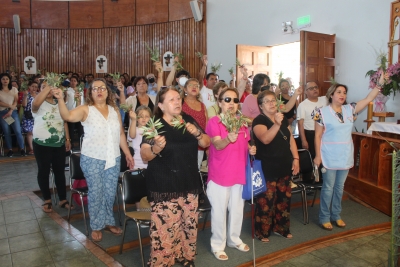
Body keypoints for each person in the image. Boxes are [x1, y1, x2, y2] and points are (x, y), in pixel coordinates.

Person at [53, 78, 134, 242]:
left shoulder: (114, 110)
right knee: (96, 193)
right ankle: (96, 225)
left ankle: (108, 222)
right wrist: (61, 99)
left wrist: (127, 153)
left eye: (103, 88)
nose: (99, 91)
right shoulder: (85, 109)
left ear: (107, 91)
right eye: (95, 88)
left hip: (113, 157)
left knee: (110, 193)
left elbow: (120, 134)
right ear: (90, 92)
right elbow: (67, 116)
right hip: (93, 159)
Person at [140, 87, 210, 267]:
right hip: (164, 185)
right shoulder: (154, 124)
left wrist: (197, 133)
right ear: (161, 105)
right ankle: (162, 262)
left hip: (189, 182)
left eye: (178, 98)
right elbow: (144, 155)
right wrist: (155, 149)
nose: (177, 102)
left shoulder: (187, 120)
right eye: (172, 100)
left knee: (188, 225)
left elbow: (206, 142)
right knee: (165, 228)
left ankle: (185, 256)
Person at [313, 73, 385, 231]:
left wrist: (379, 84)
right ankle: (324, 217)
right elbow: (317, 136)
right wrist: (318, 156)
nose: (342, 95)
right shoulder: (321, 112)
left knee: (339, 188)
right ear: (331, 95)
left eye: (344, 93)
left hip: (344, 154)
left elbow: (367, 99)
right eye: (339, 92)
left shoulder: (350, 109)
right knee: (328, 187)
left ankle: (336, 215)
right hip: (329, 155)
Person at [206, 88, 256, 261]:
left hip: (238, 172)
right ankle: (217, 245)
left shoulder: (242, 122)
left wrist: (251, 149)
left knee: (237, 209)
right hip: (220, 174)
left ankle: (234, 239)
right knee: (219, 212)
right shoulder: (214, 121)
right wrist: (228, 139)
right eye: (227, 100)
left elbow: (245, 143)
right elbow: (218, 145)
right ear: (219, 102)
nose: (232, 104)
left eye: (235, 100)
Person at [252, 90, 300, 242]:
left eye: (273, 100)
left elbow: (290, 139)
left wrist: (296, 158)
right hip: (267, 167)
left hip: (284, 164)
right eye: (267, 101)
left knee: (283, 199)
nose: (272, 103)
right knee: (266, 201)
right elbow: (265, 139)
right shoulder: (259, 121)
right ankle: (262, 232)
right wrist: (277, 124)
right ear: (261, 106)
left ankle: (281, 228)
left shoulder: (282, 118)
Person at [31, 81, 72, 212]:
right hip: (41, 143)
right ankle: (47, 199)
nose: (48, 89)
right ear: (40, 90)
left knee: (59, 171)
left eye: (50, 86)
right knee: (43, 171)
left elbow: (64, 121)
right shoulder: (37, 103)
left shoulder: (59, 102)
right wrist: (49, 84)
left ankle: (62, 199)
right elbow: (36, 103)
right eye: (44, 87)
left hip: (58, 143)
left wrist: (67, 138)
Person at [296, 81, 327, 159]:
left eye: (316, 87)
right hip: (310, 134)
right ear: (306, 92)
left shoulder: (324, 99)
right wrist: (303, 140)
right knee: (313, 156)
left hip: (324, 132)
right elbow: (300, 124)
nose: (315, 90)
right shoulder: (303, 105)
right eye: (311, 88)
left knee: (324, 154)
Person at [182, 78, 208, 168]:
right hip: (183, 145)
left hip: (199, 144)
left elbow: (207, 126)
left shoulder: (202, 105)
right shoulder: (180, 103)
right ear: (185, 89)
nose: (194, 87)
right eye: (191, 85)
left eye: (196, 86)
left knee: (195, 171)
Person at [0, 73, 26, 157]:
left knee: (18, 131)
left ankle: (22, 149)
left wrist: (11, 110)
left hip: (13, 112)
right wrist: (8, 106)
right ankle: (10, 150)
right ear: (0, 80)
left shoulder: (14, 89)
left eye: (7, 79)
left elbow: (16, 101)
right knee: (6, 132)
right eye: (3, 79)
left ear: (9, 80)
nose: (5, 80)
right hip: (3, 113)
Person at [128, 105, 151, 170]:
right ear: (137, 118)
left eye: (146, 116)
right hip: (137, 163)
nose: (144, 118)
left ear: (150, 118)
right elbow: (132, 135)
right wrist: (133, 120)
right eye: (141, 116)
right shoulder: (135, 129)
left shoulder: (152, 131)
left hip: (149, 163)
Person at [65, 76, 84, 149]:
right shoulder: (67, 90)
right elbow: (66, 102)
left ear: (77, 82)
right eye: (71, 81)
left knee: (80, 129)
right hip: (71, 111)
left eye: (74, 81)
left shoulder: (80, 90)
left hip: (79, 112)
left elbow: (82, 101)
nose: (73, 82)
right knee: (71, 129)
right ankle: (71, 144)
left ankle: (81, 144)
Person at [21, 81, 39, 155]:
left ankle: (38, 148)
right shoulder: (27, 95)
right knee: (30, 132)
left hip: (37, 115)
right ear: (29, 87)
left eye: (35, 87)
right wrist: (25, 96)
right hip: (28, 116)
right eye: (32, 86)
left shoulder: (39, 95)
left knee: (37, 132)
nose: (34, 88)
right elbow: (24, 105)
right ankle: (32, 149)